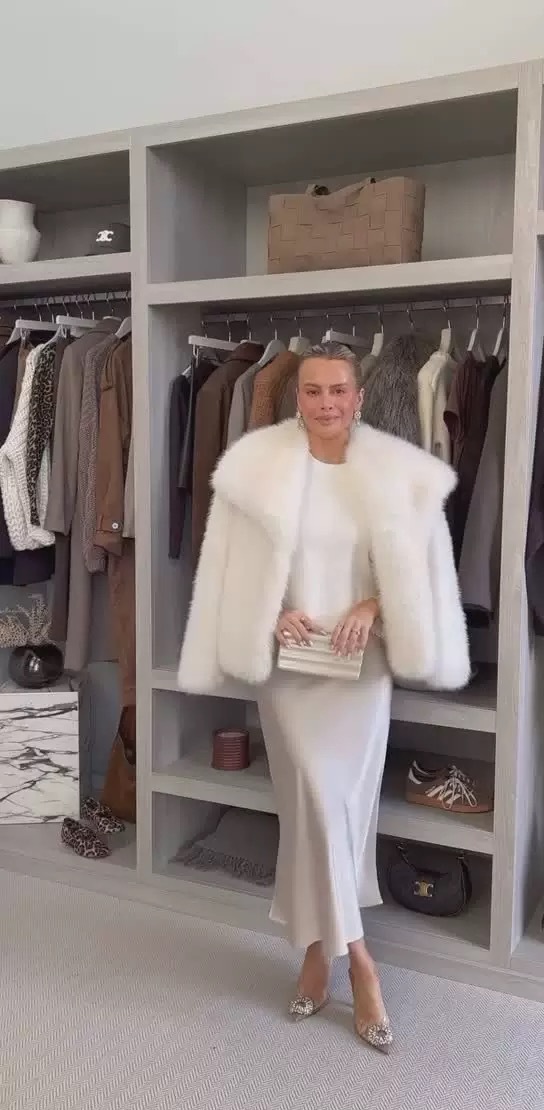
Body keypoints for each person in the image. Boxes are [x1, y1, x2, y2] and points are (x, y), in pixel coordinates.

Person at [179, 342, 470, 1054]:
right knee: (310, 802)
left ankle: (319, 953)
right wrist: (270, 609)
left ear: (360, 397)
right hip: (290, 672)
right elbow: (233, 570)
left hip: (360, 672)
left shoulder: (396, 475)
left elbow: (425, 576)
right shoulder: (256, 470)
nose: (326, 403)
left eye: (339, 390)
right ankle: (359, 961)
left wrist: (374, 605)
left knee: (340, 812)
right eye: (313, 391)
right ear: (296, 397)